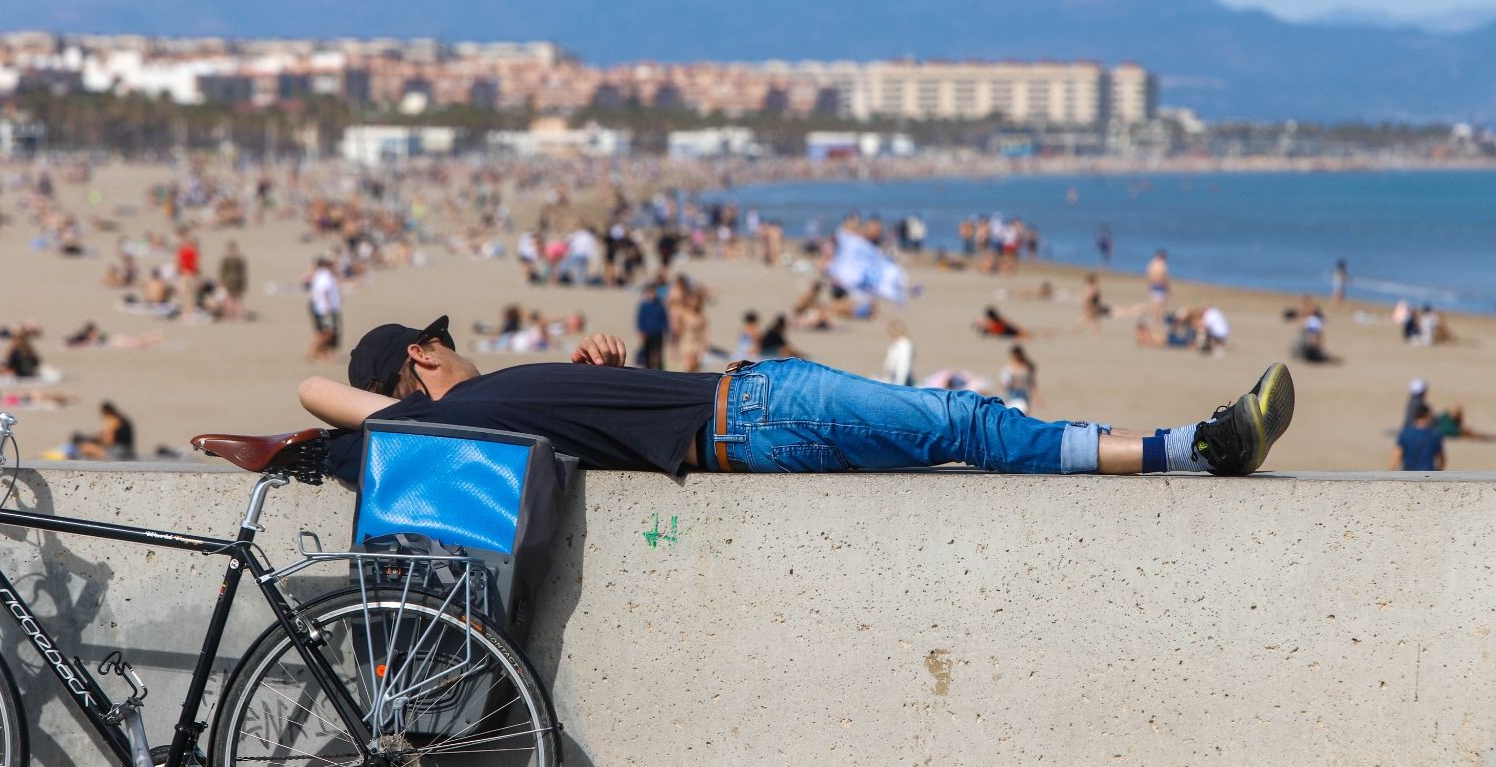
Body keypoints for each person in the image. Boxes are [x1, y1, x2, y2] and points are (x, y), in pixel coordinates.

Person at [302, 317, 1296, 483]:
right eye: (445, 344)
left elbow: (634, 413)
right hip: (762, 406)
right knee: (968, 423)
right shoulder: (454, 414)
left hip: (742, 424)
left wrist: (606, 368)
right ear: (425, 360)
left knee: (960, 431)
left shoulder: (501, 408)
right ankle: (1194, 447)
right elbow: (315, 393)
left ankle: (1187, 445)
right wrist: (365, 401)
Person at [307, 256, 342, 361]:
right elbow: (324, 291)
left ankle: (323, 352)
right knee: (327, 332)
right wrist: (327, 307)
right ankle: (312, 350)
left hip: (320, 307)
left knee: (323, 331)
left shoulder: (319, 275)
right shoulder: (325, 276)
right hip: (325, 309)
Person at [1392, 402, 1444, 472]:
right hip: (1428, 474)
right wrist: (1438, 471)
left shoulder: (1405, 433)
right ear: (1427, 415)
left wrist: (1391, 473)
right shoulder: (1434, 435)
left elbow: (1396, 456)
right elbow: (1441, 459)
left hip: (1408, 474)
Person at [634, 284, 669, 370]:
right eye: (650, 292)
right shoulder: (644, 305)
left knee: (658, 352)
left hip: (658, 333)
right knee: (647, 352)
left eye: (653, 292)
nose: (651, 294)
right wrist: (641, 331)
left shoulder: (660, 304)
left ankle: (660, 370)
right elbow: (640, 319)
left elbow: (664, 319)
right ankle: (648, 369)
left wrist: (666, 330)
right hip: (647, 333)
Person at [999, 344, 1041, 414]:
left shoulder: (1027, 367)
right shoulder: (1008, 368)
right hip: (1010, 396)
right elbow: (1003, 383)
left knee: (1022, 413)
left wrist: (1037, 397)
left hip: (1023, 396)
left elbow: (1032, 383)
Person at [219, 241, 249, 320]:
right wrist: (244, 283)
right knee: (238, 299)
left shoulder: (226, 258)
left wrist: (221, 282)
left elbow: (223, 271)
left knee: (230, 299)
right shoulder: (240, 258)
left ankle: (230, 315)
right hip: (238, 280)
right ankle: (240, 316)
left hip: (229, 280)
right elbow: (243, 272)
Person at [882, 321, 914, 387]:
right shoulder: (895, 345)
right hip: (893, 379)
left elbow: (904, 365)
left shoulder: (905, 345)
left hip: (902, 381)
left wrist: (899, 384)